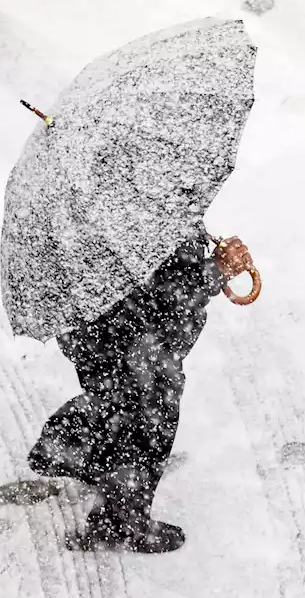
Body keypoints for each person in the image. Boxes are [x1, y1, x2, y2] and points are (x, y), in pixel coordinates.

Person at [27, 227, 253, 553]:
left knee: (119, 406)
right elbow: (160, 299)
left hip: (98, 332)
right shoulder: (142, 208)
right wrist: (215, 270)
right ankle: (120, 523)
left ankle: (70, 448)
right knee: (147, 424)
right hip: (133, 342)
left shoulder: (110, 208)